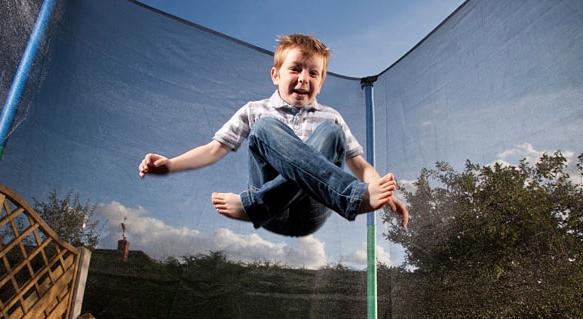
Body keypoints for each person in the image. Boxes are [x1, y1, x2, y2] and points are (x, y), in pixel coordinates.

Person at [139, 34, 408, 236]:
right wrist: (171, 164)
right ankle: (339, 197)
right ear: (275, 75)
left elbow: (359, 165)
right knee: (264, 127)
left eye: (313, 73)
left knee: (331, 133)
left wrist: (380, 194)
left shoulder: (331, 115)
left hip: (314, 209)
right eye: (295, 69)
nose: (304, 78)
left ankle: (259, 205)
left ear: (321, 82)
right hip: (274, 211)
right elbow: (213, 149)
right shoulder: (255, 110)